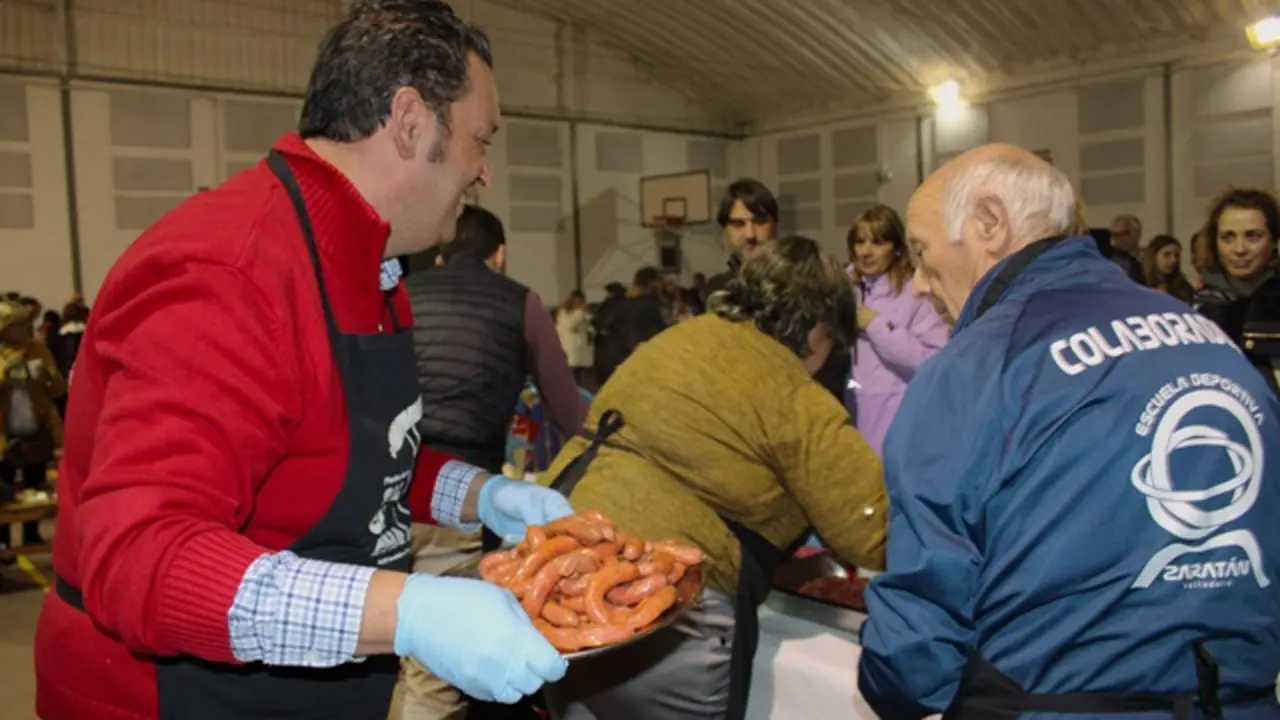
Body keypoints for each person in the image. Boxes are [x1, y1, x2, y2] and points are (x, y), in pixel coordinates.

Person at [34, 4, 574, 719]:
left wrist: (484, 496)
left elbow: (357, 461)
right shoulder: (232, 270)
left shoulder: (374, 271)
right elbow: (141, 558)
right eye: (479, 141)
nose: (484, 174)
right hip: (178, 695)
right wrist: (406, 611)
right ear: (411, 121)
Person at [858, 143, 1280, 718]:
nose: (924, 286)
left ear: (989, 223)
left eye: (924, 253)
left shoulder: (976, 367)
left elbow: (919, 645)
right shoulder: (1209, 339)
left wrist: (889, 680)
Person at [539, 235, 888, 720]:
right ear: (816, 330)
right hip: (661, 606)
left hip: (565, 576)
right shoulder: (789, 390)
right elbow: (871, 529)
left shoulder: (681, 339)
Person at [396, 205, 587, 720]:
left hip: (387, 487)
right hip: (457, 497)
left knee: (390, 651)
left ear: (440, 251)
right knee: (432, 667)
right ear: (498, 254)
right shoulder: (519, 301)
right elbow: (568, 409)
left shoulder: (401, 294)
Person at [845, 204, 948, 454]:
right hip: (849, 419)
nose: (866, 252)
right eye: (860, 242)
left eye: (877, 242)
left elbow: (932, 362)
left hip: (896, 423)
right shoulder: (841, 286)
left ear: (897, 249)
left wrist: (876, 326)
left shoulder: (917, 292)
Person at [0, 299, 65, 548]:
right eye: (17, 325)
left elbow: (59, 389)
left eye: (25, 324)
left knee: (35, 486)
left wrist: (47, 377)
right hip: (6, 431)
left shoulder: (37, 349)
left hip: (35, 427)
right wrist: (6, 372)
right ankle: (3, 540)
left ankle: (31, 532)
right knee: (5, 490)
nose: (23, 329)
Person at [701, 179, 779, 302]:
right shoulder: (716, 290)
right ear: (726, 229)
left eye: (759, 221)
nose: (750, 234)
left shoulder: (796, 285)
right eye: (738, 223)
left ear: (774, 225)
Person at [1142, 234, 1195, 303]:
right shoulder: (1140, 283)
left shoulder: (1183, 286)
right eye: (1167, 254)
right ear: (1154, 256)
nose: (1173, 260)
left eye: (1176, 255)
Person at [556, 289, 593, 386]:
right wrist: (580, 313)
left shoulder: (582, 313)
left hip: (580, 350)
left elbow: (587, 327)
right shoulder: (564, 313)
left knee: (579, 377)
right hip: (571, 349)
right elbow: (570, 325)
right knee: (572, 378)